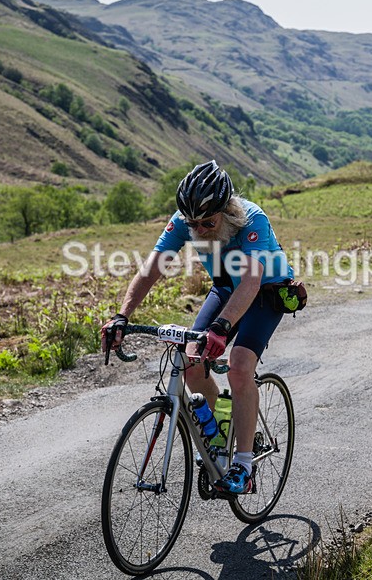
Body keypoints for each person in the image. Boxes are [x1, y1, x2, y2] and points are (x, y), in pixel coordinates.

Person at [101, 160, 295, 494]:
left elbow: (250, 281)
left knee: (240, 366)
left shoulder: (253, 219)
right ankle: (220, 432)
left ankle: (244, 466)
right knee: (191, 362)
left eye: (208, 222)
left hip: (267, 292)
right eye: (193, 224)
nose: (200, 230)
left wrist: (221, 327)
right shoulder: (184, 221)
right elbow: (151, 270)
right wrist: (122, 316)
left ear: (227, 210)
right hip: (225, 286)